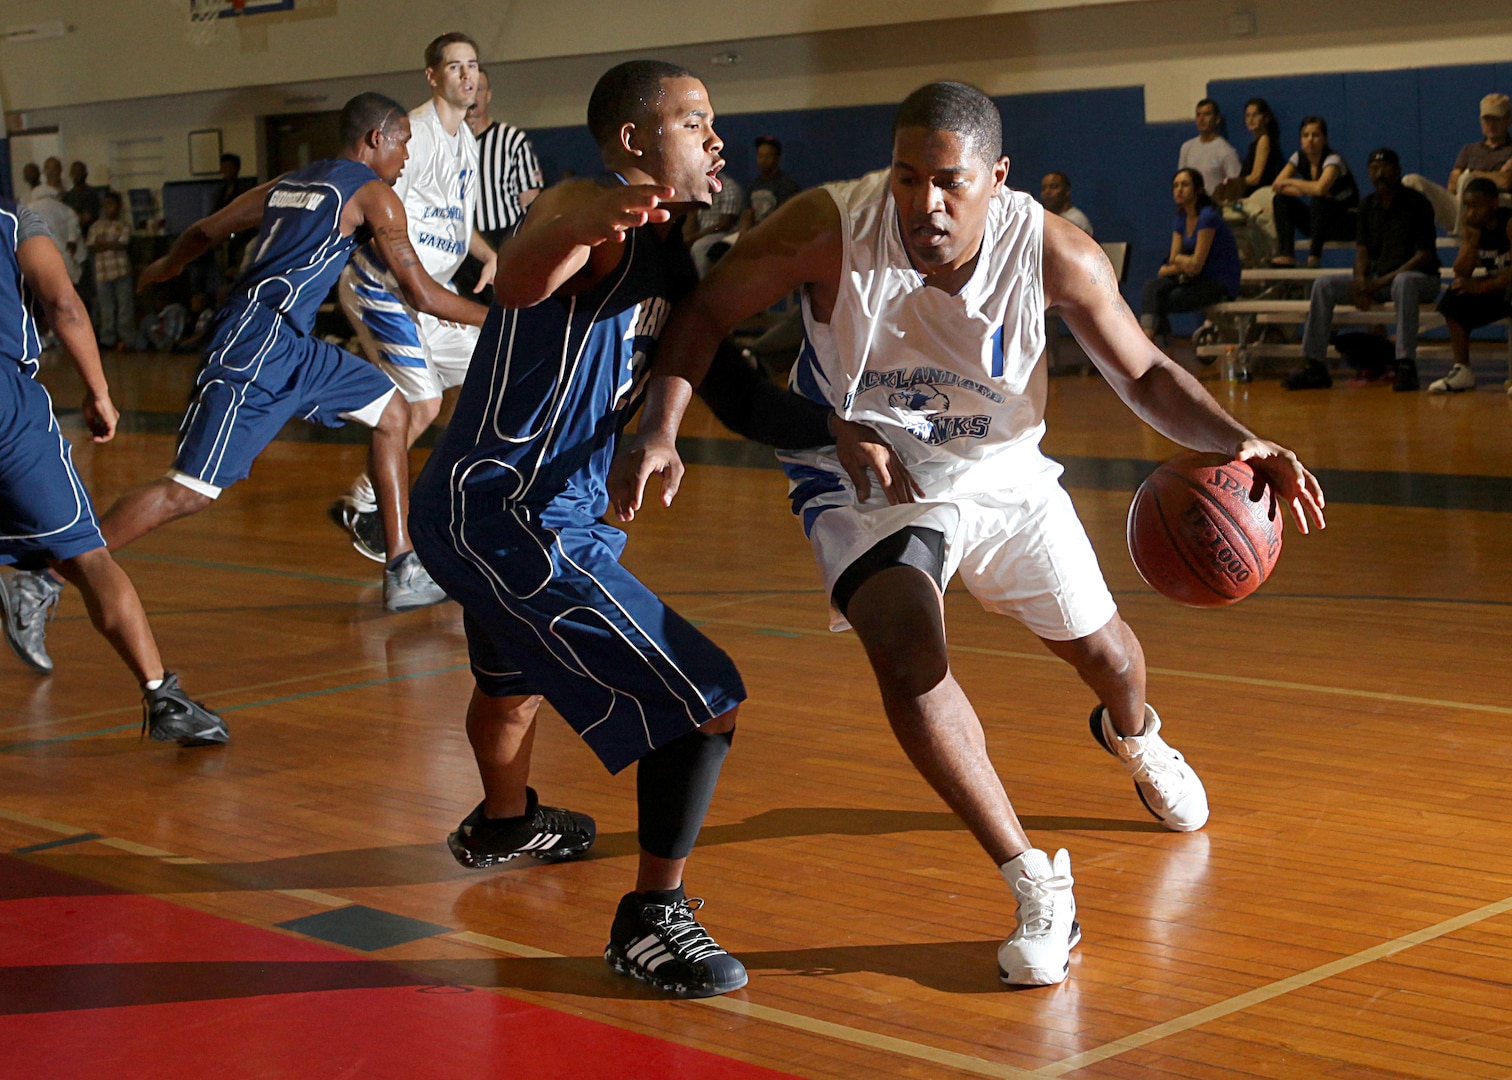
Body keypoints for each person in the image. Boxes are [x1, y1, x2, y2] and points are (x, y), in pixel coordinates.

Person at [610, 80, 1325, 988]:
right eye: (908, 178)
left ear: (998, 178)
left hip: (1002, 469)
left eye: (949, 182)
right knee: (908, 649)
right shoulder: (829, 225)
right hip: (863, 462)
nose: (924, 204)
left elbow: (1142, 370)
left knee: (1109, 657)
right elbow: (707, 310)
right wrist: (662, 430)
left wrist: (1242, 439)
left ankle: (1136, 736)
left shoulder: (1053, 252)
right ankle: (1035, 879)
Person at [408, 59, 749, 1000]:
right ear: (636, 141)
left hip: (512, 509)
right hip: (507, 516)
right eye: (694, 120)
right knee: (704, 699)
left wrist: (848, 434)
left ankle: (506, 823)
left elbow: (730, 383)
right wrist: (585, 223)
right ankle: (651, 921)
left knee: (510, 686)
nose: (715, 137)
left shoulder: (674, 251)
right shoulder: (587, 204)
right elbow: (522, 276)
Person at [0, 93, 489, 659]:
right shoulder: (374, 195)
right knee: (187, 491)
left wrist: (165, 267)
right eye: (403, 140)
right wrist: (509, 319)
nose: (407, 154)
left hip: (292, 344)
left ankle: (402, 563)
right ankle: (46, 578)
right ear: (375, 139)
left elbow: (206, 230)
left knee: (393, 409)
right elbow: (423, 295)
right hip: (255, 345)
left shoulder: (290, 182)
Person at [0, 197, 228, 746]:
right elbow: (65, 304)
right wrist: (100, 392)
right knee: (86, 553)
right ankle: (162, 695)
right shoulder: (11, 220)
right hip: (6, 409)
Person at [331, 32, 495, 563]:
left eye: (473, 66)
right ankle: (363, 503)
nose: (467, 76)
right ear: (433, 76)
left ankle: (462, 500)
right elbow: (384, 210)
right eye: (455, 67)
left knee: (492, 371)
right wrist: (417, 286)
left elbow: (449, 217)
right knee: (423, 403)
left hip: (435, 286)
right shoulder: (415, 133)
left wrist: (486, 251)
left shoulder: (466, 141)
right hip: (390, 283)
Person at [1283, 148, 1440, 392]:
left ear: (1397, 171)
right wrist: (1360, 281)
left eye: (1385, 167)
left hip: (1421, 281)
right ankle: (1315, 365)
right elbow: (1362, 251)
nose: (1380, 173)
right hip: (1379, 281)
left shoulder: (1417, 203)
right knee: (1324, 285)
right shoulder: (1367, 205)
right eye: (1374, 169)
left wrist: (1375, 285)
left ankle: (1405, 365)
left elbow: (1423, 256)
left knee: (1404, 282)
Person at [455, 67, 544, 300]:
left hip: (504, 238)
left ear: (488, 95)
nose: (473, 97)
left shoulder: (512, 139)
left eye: (478, 89)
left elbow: (530, 201)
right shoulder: (448, 142)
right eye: (467, 90)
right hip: (460, 240)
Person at [1429, 178, 1512, 394]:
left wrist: (1483, 287)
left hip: (1506, 285)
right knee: (1455, 295)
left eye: (1477, 205)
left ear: (1493, 204)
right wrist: (1472, 241)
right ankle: (1462, 370)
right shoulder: (1473, 227)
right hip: (1497, 288)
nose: (1470, 211)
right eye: (1467, 205)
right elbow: (1462, 271)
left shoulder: (1509, 223)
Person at [1140, 168, 1241, 343]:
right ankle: (1150, 340)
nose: (1179, 189)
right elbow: (1174, 258)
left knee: (1164, 299)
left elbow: (1196, 264)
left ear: (1199, 189)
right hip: (1194, 278)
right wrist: (1181, 262)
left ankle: (1150, 342)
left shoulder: (1207, 217)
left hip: (1218, 282)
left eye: (1185, 185)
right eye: (1175, 185)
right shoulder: (1181, 218)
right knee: (1152, 287)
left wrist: (1179, 262)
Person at [1403, 94, 1512, 234]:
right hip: (1462, 206)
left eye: (1496, 119)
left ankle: (1465, 234)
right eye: (1487, 119)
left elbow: (1506, 182)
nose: (1491, 124)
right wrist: (1493, 174)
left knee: (1467, 179)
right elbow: (1453, 185)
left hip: (1498, 207)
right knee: (1411, 181)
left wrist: (1471, 175)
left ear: (1508, 119)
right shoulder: (1469, 150)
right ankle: (1412, 238)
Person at [1269, 115, 1358, 267]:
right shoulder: (1298, 157)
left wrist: (1293, 182)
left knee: (1319, 200)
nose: (1310, 140)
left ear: (1325, 139)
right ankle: (1286, 254)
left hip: (1347, 222)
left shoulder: (1333, 160)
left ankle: (1314, 257)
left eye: (1315, 135)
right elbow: (1277, 185)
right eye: (1305, 135)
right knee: (1280, 199)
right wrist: (1305, 189)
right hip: (1319, 224)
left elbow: (1320, 188)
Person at [87, 192, 134, 350]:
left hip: (121, 271)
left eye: (111, 204)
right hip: (102, 272)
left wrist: (103, 243)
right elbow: (91, 246)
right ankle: (107, 338)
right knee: (106, 307)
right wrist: (110, 243)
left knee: (124, 306)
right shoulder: (96, 226)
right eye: (105, 205)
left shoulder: (123, 225)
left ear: (119, 207)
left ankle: (126, 337)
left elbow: (123, 244)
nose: (108, 208)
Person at [734, 135, 801, 234]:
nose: (763, 160)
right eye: (760, 156)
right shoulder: (754, 184)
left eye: (768, 156)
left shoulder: (786, 184)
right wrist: (743, 232)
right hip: (754, 233)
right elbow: (748, 214)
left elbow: (783, 218)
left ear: (777, 159)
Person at [684, 167, 743, 276]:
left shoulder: (729, 187)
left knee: (699, 246)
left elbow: (725, 224)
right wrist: (685, 239)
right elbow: (691, 217)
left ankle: (703, 286)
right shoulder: (697, 186)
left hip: (725, 234)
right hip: (701, 232)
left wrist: (694, 237)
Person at [1177, 98, 1241, 198]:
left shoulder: (1226, 151)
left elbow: (1236, 185)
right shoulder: (1187, 147)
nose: (1201, 119)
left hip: (1214, 208)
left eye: (1207, 114)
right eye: (1198, 115)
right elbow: (1180, 181)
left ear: (1217, 119)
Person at [1039, 171, 1092, 236]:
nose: (1047, 192)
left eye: (1054, 187)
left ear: (1067, 191)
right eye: (1044, 188)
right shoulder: (1041, 220)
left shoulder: (1077, 220)